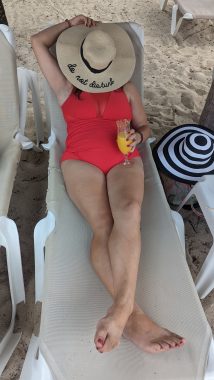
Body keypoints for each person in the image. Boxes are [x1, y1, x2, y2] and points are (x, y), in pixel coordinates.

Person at [31, 14, 185, 354]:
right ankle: (132, 315)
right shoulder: (66, 87)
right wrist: (67, 25)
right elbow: (37, 42)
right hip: (80, 161)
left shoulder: (127, 88)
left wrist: (137, 134)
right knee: (103, 226)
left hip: (123, 158)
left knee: (129, 213)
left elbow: (144, 127)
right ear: (80, 63)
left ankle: (122, 311)